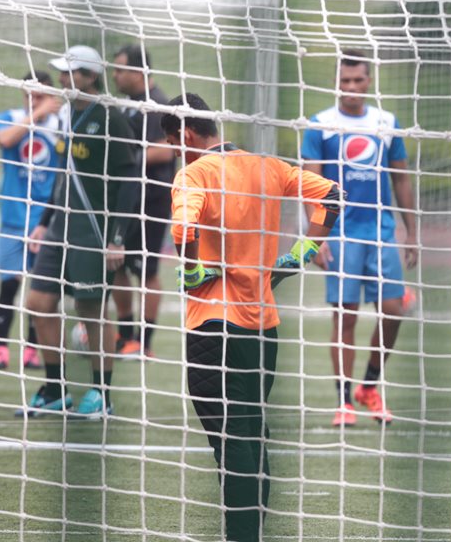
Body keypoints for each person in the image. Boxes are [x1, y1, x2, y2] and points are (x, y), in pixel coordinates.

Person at [163, 92, 341, 542]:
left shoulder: (194, 172)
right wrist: (299, 255)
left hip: (212, 327)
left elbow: (183, 229)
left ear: (185, 134)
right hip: (263, 328)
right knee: (250, 434)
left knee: (231, 444)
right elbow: (334, 195)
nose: (171, 151)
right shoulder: (268, 166)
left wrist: (190, 269)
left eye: (170, 141)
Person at [19, 45, 139, 418]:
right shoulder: (66, 114)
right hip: (59, 227)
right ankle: (56, 388)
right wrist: (43, 223)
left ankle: (102, 393)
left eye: (69, 73)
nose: (61, 79)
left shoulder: (109, 117)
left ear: (89, 76)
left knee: (91, 309)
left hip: (93, 230)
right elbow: (63, 176)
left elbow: (129, 180)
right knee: (38, 302)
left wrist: (117, 237)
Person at [300, 50, 417, 427]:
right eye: (345, 81)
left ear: (369, 81)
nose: (351, 88)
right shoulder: (321, 124)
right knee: (345, 317)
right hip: (341, 233)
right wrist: (316, 238)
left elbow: (400, 178)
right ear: (337, 82)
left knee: (395, 311)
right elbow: (310, 183)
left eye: (358, 81)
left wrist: (411, 231)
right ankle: (344, 401)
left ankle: (369, 385)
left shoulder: (386, 123)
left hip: (381, 231)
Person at [109, 44, 175, 357]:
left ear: (139, 72)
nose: (115, 75)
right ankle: (124, 336)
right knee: (117, 264)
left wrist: (126, 158)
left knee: (146, 271)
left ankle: (144, 343)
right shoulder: (124, 105)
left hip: (152, 198)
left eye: (120, 69)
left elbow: (168, 149)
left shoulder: (159, 105)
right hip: (124, 197)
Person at [0, 71, 63, 370]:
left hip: (45, 221)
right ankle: (1, 348)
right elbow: (5, 140)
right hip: (13, 218)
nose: (34, 99)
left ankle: (33, 351)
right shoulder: (10, 117)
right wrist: (37, 113)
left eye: (41, 95)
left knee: (41, 291)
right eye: (30, 94)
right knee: (7, 286)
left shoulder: (60, 126)